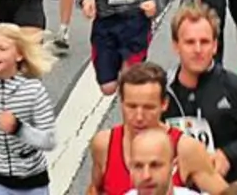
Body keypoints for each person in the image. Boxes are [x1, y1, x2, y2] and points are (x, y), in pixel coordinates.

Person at [163, 5, 237, 185]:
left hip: (224, 186)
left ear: (215, 46)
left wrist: (228, 154)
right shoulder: (162, 92)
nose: (198, 49)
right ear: (176, 45)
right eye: (190, 42)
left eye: (205, 42)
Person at [87, 61, 227, 195]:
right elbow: (94, 189)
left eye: (148, 107)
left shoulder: (185, 149)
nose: (139, 117)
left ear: (164, 104)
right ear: (121, 103)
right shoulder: (105, 144)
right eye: (131, 106)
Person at [0, 19, 57, 194]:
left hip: (33, 180)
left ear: (19, 55)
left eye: (2, 49)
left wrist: (18, 128)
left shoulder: (33, 90)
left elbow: (49, 140)